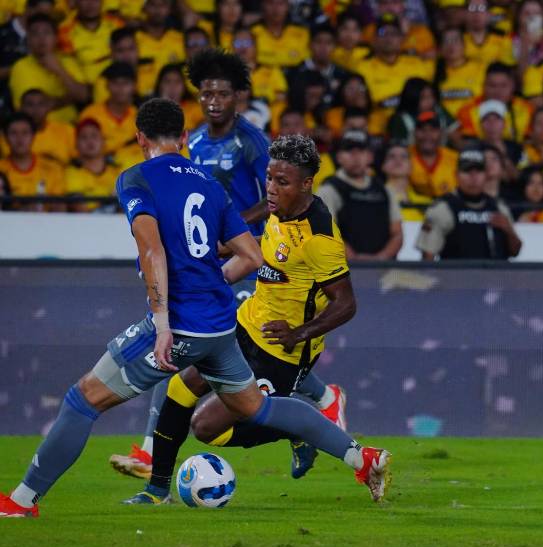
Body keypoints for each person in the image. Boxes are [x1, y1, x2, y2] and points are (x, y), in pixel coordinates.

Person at [0, 102, 391, 518]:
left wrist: (164, 323)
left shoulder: (135, 179)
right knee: (256, 408)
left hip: (182, 323)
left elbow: (152, 251)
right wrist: (212, 282)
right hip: (223, 325)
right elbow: (251, 255)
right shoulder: (208, 183)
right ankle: (361, 458)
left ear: (140, 139)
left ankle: (22, 501)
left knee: (82, 401)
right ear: (185, 138)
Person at [109, 48, 341, 479]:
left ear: (237, 97)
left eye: (222, 93)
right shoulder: (193, 141)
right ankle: (323, 401)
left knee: (200, 346)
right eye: (206, 94)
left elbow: (271, 196)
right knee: (210, 350)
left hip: (252, 257)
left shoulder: (251, 141)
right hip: (215, 256)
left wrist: (231, 227)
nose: (213, 101)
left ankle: (319, 403)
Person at [122, 133, 386, 506]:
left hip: (281, 352)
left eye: (282, 182)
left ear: (306, 184)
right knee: (180, 388)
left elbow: (347, 303)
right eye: (269, 178)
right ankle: (156, 492)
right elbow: (263, 241)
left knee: (206, 428)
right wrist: (223, 244)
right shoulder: (281, 209)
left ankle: (302, 428)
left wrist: (300, 332)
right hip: (246, 324)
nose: (272, 190)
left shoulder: (320, 238)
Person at [416, 148, 522, 260]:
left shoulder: (499, 207)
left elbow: (515, 252)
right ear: (456, 175)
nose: (473, 177)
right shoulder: (443, 208)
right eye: (467, 171)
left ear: (486, 175)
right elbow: (428, 256)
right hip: (456, 276)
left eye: (478, 171)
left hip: (495, 276)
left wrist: (508, 230)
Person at [317, 129, 403, 260]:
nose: (355, 157)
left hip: (382, 270)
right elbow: (325, 234)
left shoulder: (384, 190)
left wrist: (380, 259)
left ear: (370, 156)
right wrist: (356, 260)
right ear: (339, 157)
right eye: (349, 151)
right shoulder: (328, 189)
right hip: (342, 272)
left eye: (361, 151)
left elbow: (397, 233)